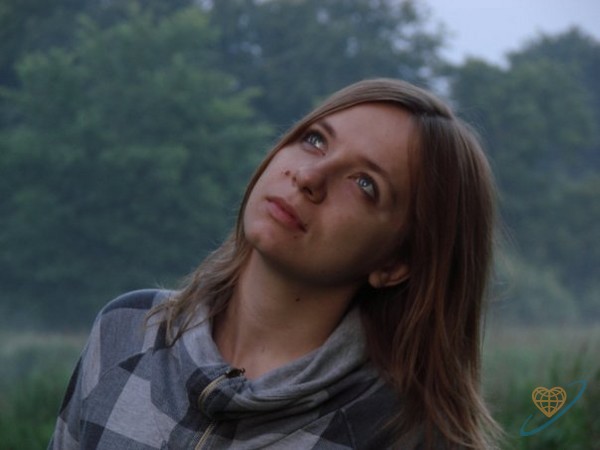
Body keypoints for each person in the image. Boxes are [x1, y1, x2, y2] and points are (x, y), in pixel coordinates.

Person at [49, 78, 502, 449]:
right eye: (315, 140)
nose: (308, 177)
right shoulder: (127, 331)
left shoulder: (405, 437)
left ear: (395, 263)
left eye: (365, 184)